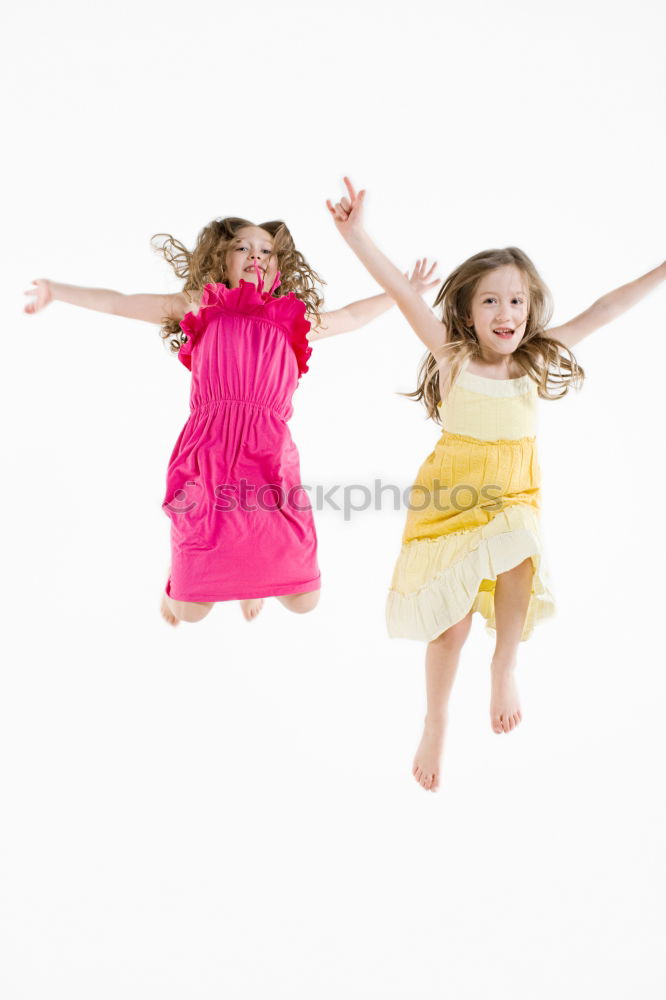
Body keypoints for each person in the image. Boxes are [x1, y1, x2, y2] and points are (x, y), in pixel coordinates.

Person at [326, 176, 665, 792]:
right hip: (449, 498)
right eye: (490, 301)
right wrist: (356, 235)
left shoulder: (537, 357)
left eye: (515, 301)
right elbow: (403, 293)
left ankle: (505, 661)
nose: (505, 313)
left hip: (512, 492)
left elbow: (607, 308)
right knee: (450, 627)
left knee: (521, 540)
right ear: (466, 312)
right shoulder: (453, 357)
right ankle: (435, 719)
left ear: (532, 309)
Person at [24, 215, 438, 628]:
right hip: (209, 450)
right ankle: (183, 583)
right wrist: (55, 291)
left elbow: (351, 316)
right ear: (222, 260)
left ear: (279, 265)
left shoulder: (291, 318)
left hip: (268, 453)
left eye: (266, 250)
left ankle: (249, 582)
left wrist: (407, 292)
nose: (256, 255)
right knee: (190, 611)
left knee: (304, 600)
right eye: (243, 247)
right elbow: (120, 300)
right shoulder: (201, 304)